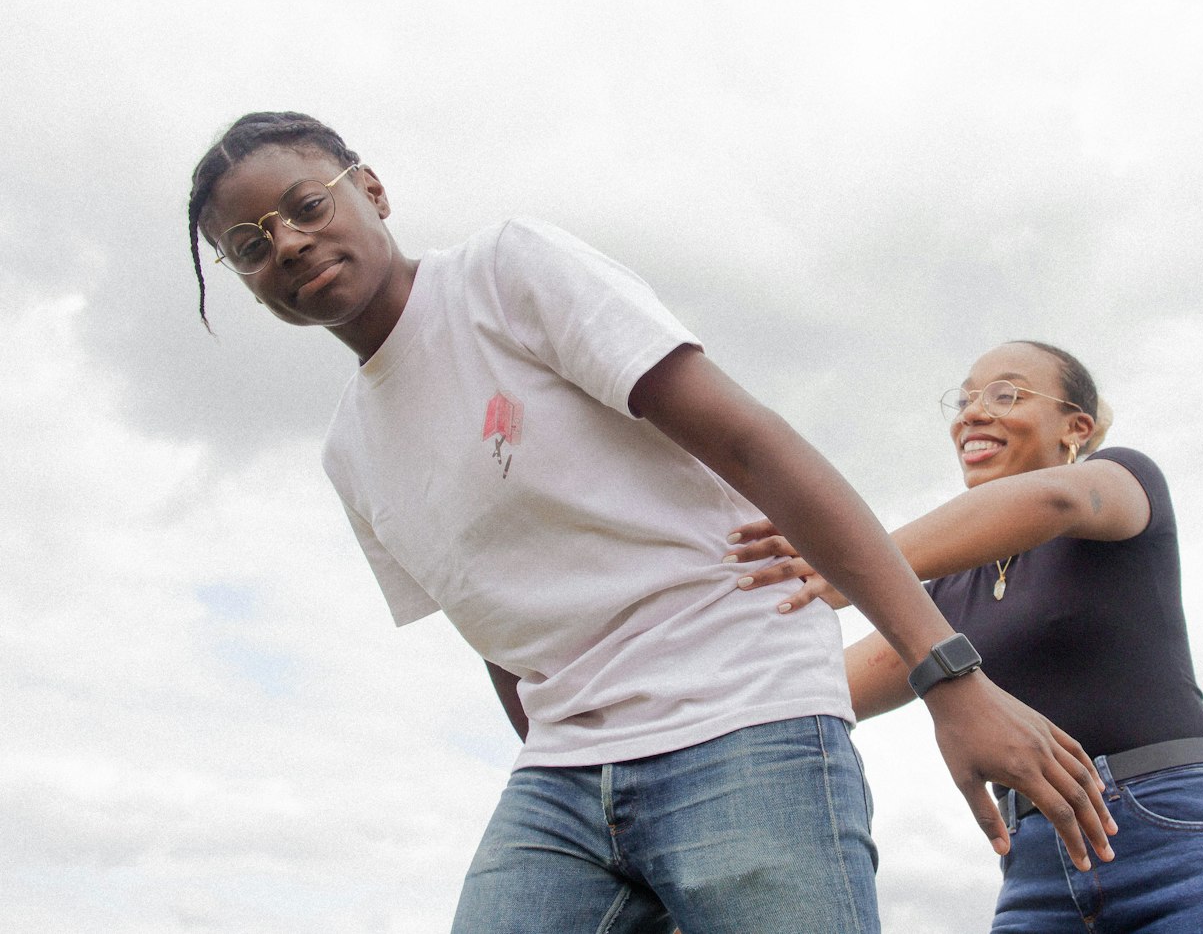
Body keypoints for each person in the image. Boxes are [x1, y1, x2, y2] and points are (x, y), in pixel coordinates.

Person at [184, 113, 1116, 934]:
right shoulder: (350, 450)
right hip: (563, 778)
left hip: (742, 717)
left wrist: (947, 675)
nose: (290, 244)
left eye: (306, 205)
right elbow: (502, 639)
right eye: (251, 244)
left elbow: (751, 442)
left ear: (371, 189)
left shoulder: (507, 273)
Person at [728, 340, 1203, 933]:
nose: (972, 413)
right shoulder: (944, 597)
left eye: (1005, 394)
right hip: (1038, 869)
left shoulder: (1120, 482)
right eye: (962, 401)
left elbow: (1058, 499)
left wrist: (844, 560)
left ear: (1076, 427)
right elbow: (821, 686)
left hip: (1187, 839)